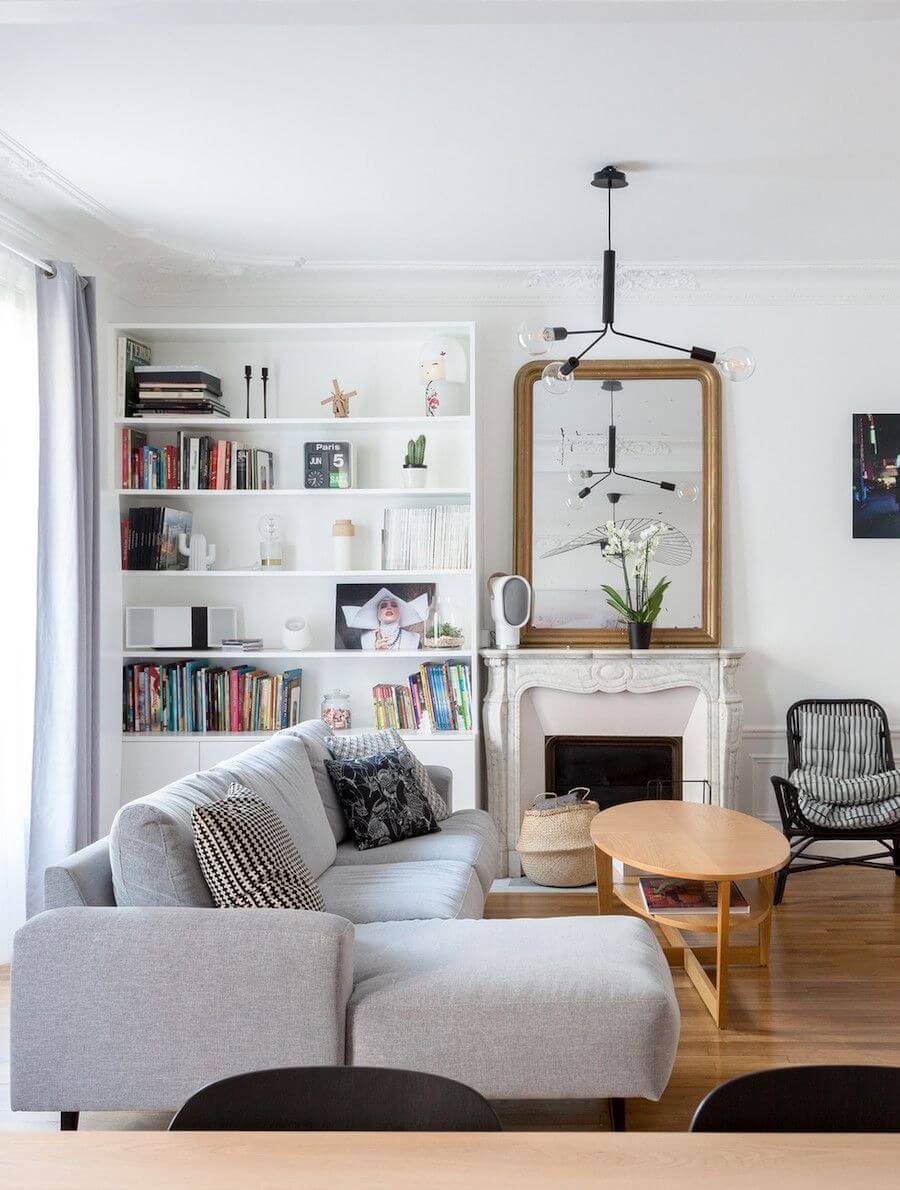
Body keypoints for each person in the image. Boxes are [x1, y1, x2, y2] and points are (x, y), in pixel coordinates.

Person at [341, 586, 430, 651]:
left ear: (399, 613)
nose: (389, 608)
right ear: (378, 614)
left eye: (394, 605)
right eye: (383, 606)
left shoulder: (414, 639)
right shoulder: (363, 640)